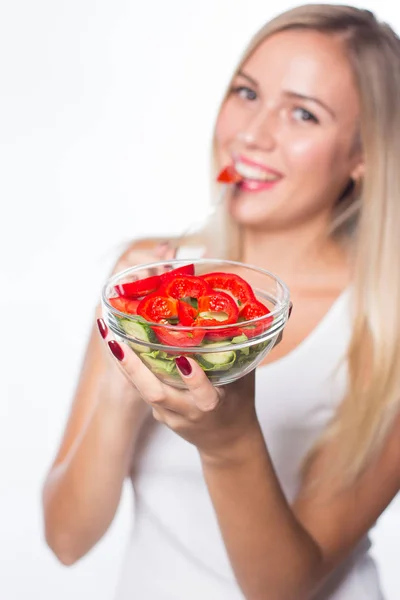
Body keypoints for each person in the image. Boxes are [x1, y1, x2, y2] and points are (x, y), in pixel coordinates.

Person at [42, 4, 400, 599]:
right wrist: (120, 382)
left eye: (304, 113)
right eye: (247, 92)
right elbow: (66, 540)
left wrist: (230, 440)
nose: (252, 135)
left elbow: (283, 589)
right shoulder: (146, 281)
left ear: (363, 156)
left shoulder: (385, 327)